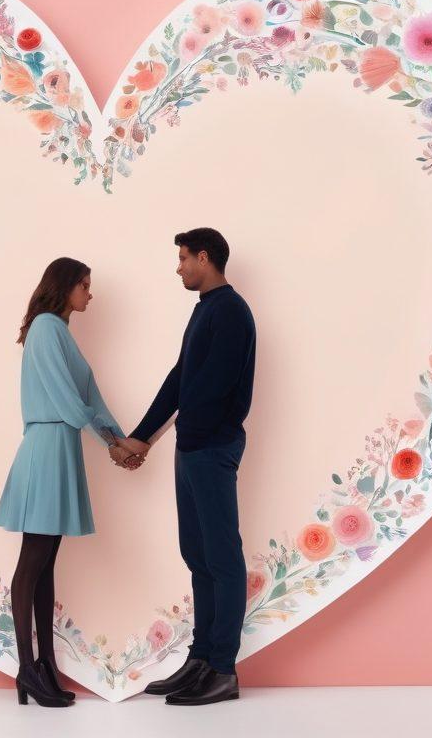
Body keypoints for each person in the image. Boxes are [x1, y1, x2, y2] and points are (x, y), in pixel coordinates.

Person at [0, 257, 144, 707]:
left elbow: (90, 398)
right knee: (32, 561)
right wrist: (112, 446)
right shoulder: (44, 328)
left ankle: (47, 667)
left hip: (62, 448)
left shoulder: (61, 332)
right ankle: (26, 669)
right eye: (84, 285)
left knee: (46, 562)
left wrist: (122, 441)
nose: (89, 294)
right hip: (46, 449)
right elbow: (67, 400)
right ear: (65, 286)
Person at [117, 227, 257, 706]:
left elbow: (212, 390)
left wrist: (180, 434)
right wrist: (143, 436)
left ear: (204, 256)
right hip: (192, 448)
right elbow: (181, 379)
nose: (178, 268)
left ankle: (222, 669)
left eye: (182, 259)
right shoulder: (205, 311)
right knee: (197, 555)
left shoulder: (232, 312)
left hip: (212, 448)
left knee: (221, 557)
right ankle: (200, 661)